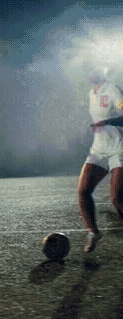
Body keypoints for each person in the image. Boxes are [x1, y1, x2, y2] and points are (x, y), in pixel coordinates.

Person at [78, 66, 123, 252]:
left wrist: (106, 122)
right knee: (83, 191)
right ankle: (94, 233)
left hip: (118, 149)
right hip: (98, 149)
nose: (87, 75)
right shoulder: (91, 93)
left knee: (117, 199)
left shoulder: (112, 89)